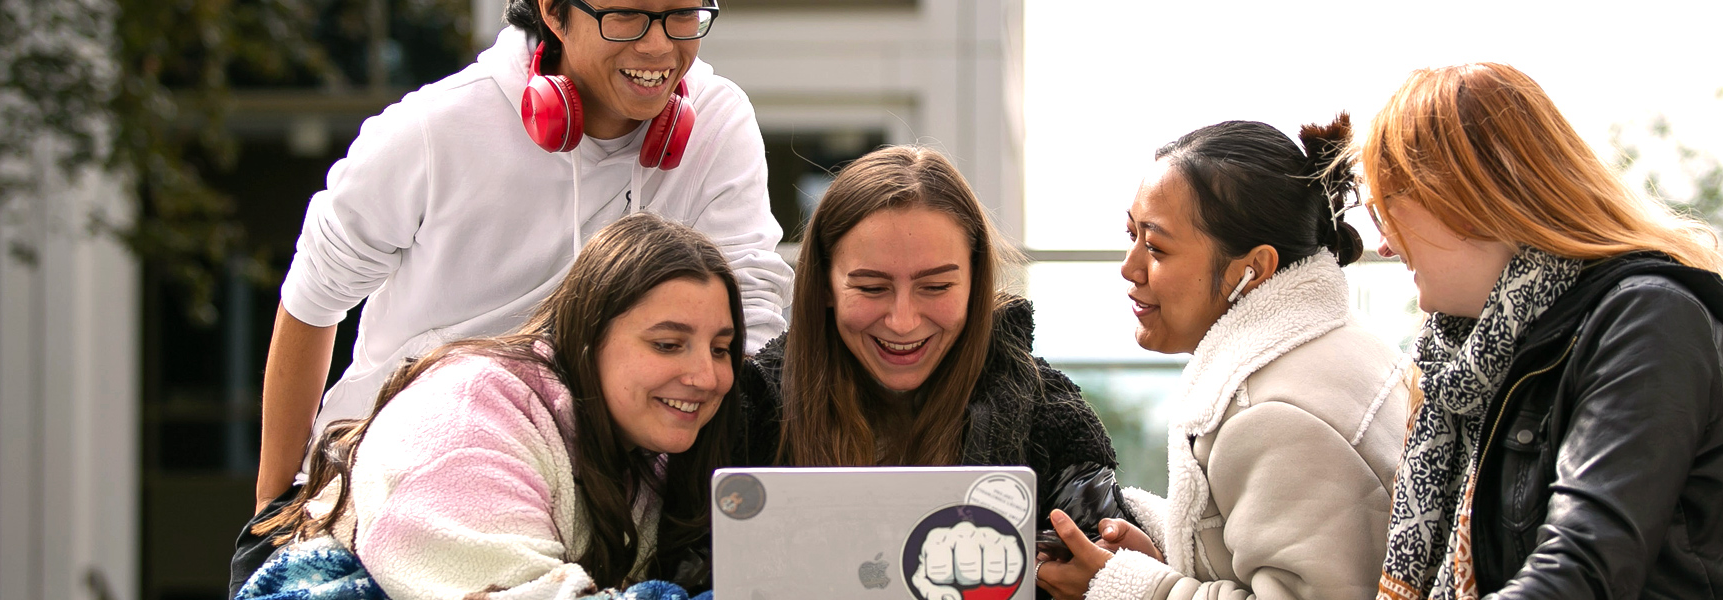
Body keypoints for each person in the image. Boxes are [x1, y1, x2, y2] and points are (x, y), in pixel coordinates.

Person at [239, 0, 792, 591]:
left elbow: (749, 312)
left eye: (682, 15)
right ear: (554, 12)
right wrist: (272, 507)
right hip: (415, 482)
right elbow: (313, 298)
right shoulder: (434, 128)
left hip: (606, 496)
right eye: (627, 16)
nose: (658, 47)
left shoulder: (716, 119)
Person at [1363, 63, 1723, 600]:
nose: (1382, 244)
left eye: (1384, 212)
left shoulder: (1647, 322)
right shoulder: (1468, 363)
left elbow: (1582, 572)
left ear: (1462, 200)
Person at [236, 213, 738, 600]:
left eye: (720, 348)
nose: (706, 376)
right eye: (668, 345)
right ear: (590, 336)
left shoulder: (637, 447)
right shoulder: (465, 419)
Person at [1035, 115, 1410, 600]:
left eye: (1156, 247)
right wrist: (1160, 556)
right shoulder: (1336, 348)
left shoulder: (1274, 415)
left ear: (1252, 270)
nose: (1129, 268)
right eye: (1132, 235)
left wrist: (1125, 588)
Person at [735, 145, 1138, 578]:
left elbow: (1112, 558)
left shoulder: (1046, 410)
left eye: (936, 287)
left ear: (975, 283)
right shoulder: (754, 404)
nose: (903, 322)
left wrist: (1110, 576)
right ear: (825, 286)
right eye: (871, 288)